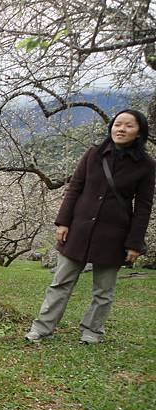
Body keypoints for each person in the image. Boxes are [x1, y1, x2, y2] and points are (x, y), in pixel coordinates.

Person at [25, 109, 155, 344]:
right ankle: (42, 327)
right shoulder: (94, 154)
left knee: (103, 290)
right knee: (60, 282)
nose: (121, 129)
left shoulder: (145, 165)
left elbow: (143, 207)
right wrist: (63, 222)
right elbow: (74, 188)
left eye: (128, 126)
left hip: (114, 234)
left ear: (139, 132)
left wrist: (135, 243)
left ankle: (92, 331)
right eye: (118, 124)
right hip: (80, 229)